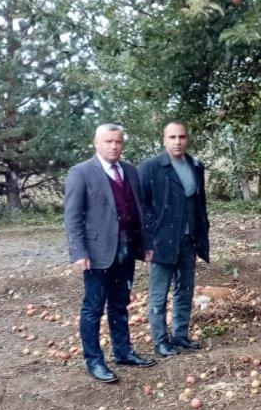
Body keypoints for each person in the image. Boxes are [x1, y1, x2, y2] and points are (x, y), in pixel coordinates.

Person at [64, 123, 156, 383]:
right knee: (93, 308)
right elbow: (73, 217)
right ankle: (94, 361)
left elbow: (140, 211)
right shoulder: (80, 173)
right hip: (96, 253)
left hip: (126, 250)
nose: (114, 146)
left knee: (120, 304)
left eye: (118, 142)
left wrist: (146, 244)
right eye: (108, 142)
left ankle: (123, 352)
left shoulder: (129, 171)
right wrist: (78, 252)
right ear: (96, 143)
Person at [138, 122, 211, 358]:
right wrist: (152, 235)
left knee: (185, 289)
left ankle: (180, 335)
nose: (177, 141)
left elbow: (200, 203)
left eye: (181, 136)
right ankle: (161, 340)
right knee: (159, 293)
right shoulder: (151, 168)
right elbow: (141, 205)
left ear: (187, 139)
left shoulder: (195, 165)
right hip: (163, 241)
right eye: (172, 137)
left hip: (189, 239)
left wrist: (202, 230)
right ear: (164, 140)